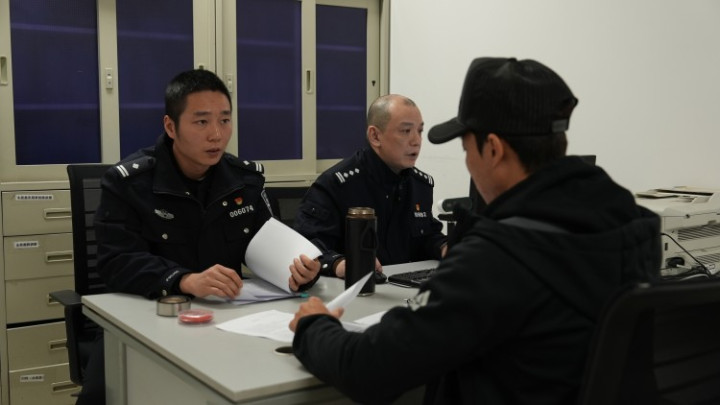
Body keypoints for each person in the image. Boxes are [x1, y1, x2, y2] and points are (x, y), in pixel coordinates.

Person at [289, 57, 661, 404]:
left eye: (467, 149)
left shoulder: (497, 256)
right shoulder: (633, 226)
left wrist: (314, 325)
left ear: (493, 150)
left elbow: (366, 369)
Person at [76, 69, 321, 404]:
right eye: (202, 122)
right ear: (171, 127)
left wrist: (298, 270)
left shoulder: (244, 180)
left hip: (227, 319)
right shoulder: (129, 183)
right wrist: (184, 280)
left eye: (225, 120)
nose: (216, 135)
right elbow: (115, 262)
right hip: (149, 318)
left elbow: (269, 246)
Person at [294, 94, 448, 278]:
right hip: (352, 288)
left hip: (403, 286)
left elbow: (426, 236)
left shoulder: (419, 185)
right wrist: (340, 264)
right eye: (406, 131)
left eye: (420, 131)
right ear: (375, 136)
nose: (416, 141)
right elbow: (307, 245)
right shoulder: (337, 184)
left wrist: (446, 247)